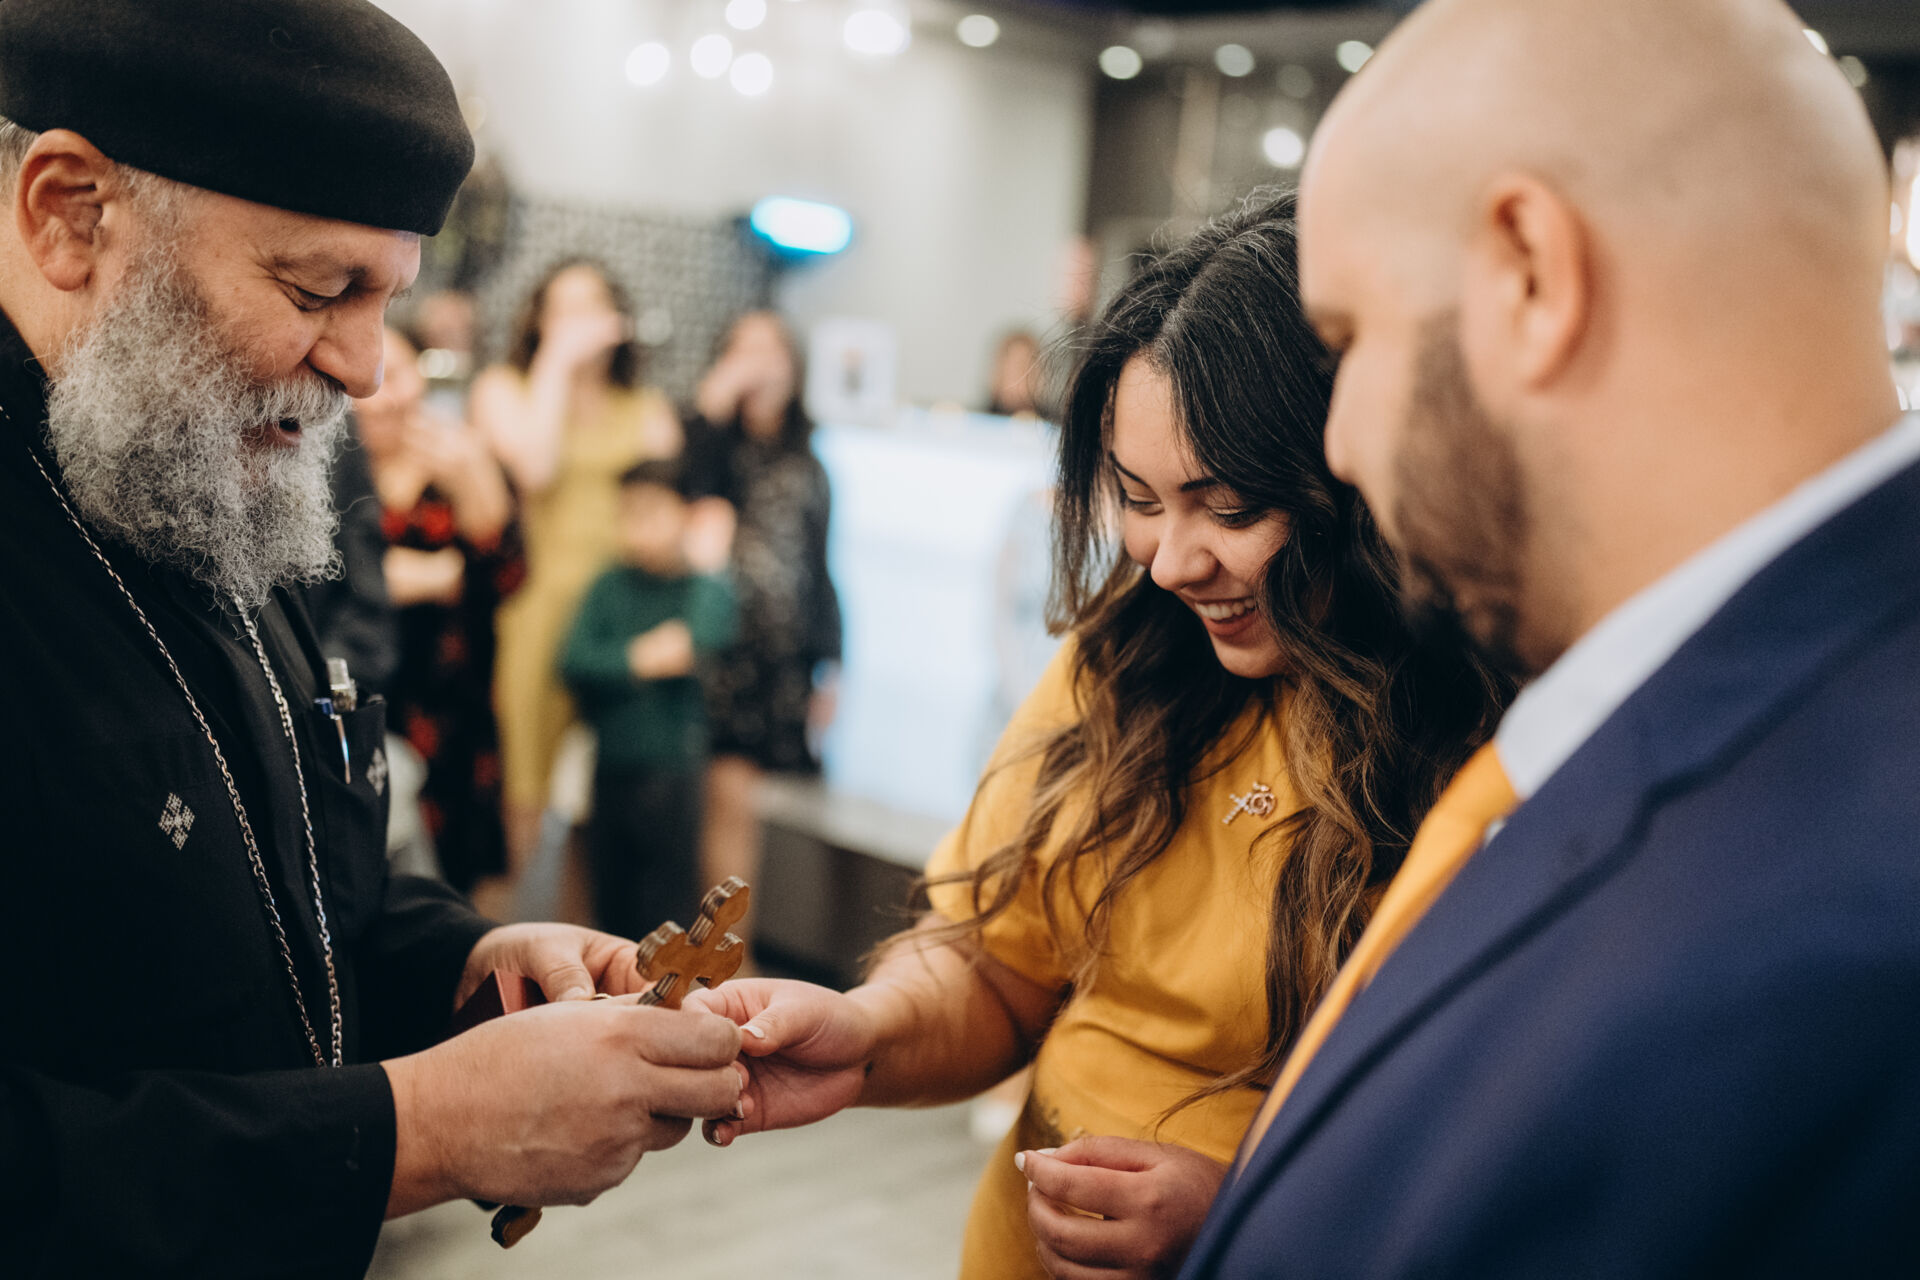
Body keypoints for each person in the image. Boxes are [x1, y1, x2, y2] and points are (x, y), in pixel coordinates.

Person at [1177, 2, 1920, 1277]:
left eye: (1350, 340)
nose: (1340, 442)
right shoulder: (1738, 725)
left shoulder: (1848, 901)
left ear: (1530, 271)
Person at [0, 3, 743, 1274]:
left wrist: (469, 964)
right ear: (71, 214)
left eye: (389, 297)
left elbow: (286, 867)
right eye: (321, 289)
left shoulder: (195, 446)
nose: (368, 368)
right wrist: (415, 1132)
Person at [687, 192, 1510, 1280]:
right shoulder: (1124, 660)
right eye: (1138, 499)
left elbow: (1502, 1150)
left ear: (1355, 468)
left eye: (1228, 507)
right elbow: (998, 961)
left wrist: (1240, 1213)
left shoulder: (1488, 742)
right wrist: (871, 1030)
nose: (1170, 562)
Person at [472, 259, 681, 873]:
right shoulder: (504, 389)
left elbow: (669, 509)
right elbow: (534, 468)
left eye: (590, 307)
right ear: (538, 321)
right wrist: (558, 364)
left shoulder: (647, 407)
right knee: (523, 791)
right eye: (562, 309)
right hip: (536, 609)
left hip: (622, 615)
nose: (577, 323)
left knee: (604, 804)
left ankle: (591, 932)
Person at [683, 311, 843, 939]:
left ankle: (726, 957)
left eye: (769, 350)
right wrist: (713, 406)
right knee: (713, 804)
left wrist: (831, 666)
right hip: (711, 651)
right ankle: (717, 955)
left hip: (778, 658)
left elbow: (821, 568)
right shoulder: (710, 446)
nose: (756, 363)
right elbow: (679, 494)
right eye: (741, 349)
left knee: (739, 808)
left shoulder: (809, 462)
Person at [354, 327, 523, 893]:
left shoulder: (461, 457)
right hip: (362, 691)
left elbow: (506, 578)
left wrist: (477, 486)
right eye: (372, 380)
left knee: (452, 878)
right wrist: (433, 576)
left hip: (453, 700)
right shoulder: (327, 468)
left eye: (399, 375)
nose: (388, 396)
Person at [562, 458, 737, 941]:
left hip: (673, 771)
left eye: (651, 512)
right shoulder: (608, 584)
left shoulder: (703, 587)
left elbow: (695, 641)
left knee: (668, 907)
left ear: (685, 514)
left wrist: (706, 562)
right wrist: (639, 657)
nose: (636, 527)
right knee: (610, 903)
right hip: (610, 763)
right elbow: (574, 660)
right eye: (627, 513)